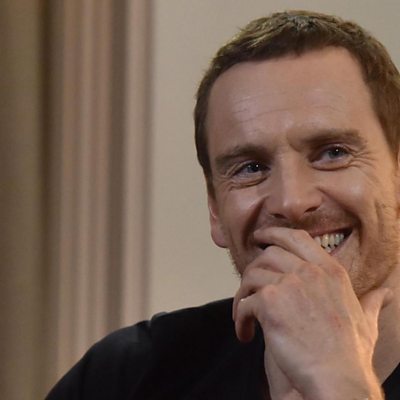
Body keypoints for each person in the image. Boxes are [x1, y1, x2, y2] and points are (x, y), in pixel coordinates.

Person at [47, 10, 400, 399]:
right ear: (215, 208)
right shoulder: (125, 377)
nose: (292, 202)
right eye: (251, 168)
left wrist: (340, 384)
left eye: (333, 153)